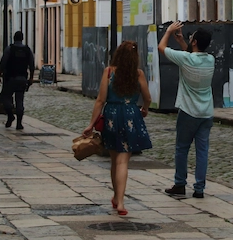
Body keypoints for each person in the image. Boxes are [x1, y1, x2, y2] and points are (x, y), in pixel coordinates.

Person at [83, 41, 152, 216]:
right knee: (123, 161)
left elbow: (100, 100)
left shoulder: (108, 73)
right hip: (130, 115)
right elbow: (148, 97)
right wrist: (144, 109)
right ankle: (120, 202)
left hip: (112, 116)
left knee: (114, 160)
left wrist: (91, 124)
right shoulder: (138, 74)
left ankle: (116, 197)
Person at [158, 21, 214, 199]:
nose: (190, 39)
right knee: (202, 150)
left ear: (195, 42)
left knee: (182, 148)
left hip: (189, 111)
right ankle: (199, 188)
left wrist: (168, 32)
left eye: (192, 38)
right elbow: (191, 55)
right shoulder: (210, 59)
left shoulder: (186, 59)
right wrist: (183, 41)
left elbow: (161, 47)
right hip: (206, 112)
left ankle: (180, 183)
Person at [0, 31, 35, 130]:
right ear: (22, 38)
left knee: (5, 98)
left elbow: (3, 63)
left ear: (14, 38)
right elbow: (31, 65)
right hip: (22, 79)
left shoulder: (10, 49)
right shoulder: (27, 50)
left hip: (10, 79)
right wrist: (31, 77)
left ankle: (10, 115)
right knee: (20, 100)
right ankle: (19, 123)